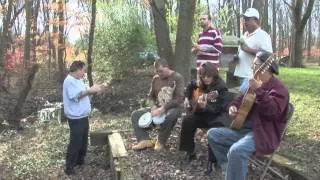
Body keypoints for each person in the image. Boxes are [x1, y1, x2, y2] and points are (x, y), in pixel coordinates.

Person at [207, 51, 289, 180]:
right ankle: (228, 167)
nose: (252, 67)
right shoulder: (254, 84)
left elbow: (272, 111)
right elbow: (238, 101)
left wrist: (259, 90)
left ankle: (234, 174)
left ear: (264, 68)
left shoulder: (279, 89)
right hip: (243, 130)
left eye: (255, 64)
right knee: (213, 134)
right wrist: (232, 108)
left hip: (263, 134)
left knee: (236, 150)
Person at [179, 62, 232, 161]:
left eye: (209, 76)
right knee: (188, 120)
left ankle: (213, 160)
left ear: (214, 75)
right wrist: (186, 98)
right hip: (204, 115)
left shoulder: (221, 88)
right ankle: (190, 151)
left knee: (215, 129)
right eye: (203, 76)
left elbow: (221, 108)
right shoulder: (201, 82)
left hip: (218, 117)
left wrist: (206, 107)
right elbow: (190, 85)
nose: (206, 78)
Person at [131, 58, 184, 151]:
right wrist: (153, 106)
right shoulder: (155, 79)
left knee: (170, 115)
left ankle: (161, 141)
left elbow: (179, 99)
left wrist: (163, 108)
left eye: (161, 71)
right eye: (157, 72)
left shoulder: (177, 77)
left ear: (167, 67)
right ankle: (144, 140)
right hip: (158, 108)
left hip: (174, 108)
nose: (159, 74)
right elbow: (150, 96)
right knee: (135, 115)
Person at [63, 61, 105, 175]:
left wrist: (96, 90)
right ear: (78, 69)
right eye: (83, 70)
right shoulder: (69, 81)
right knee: (75, 142)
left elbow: (85, 94)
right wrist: (90, 90)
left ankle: (80, 161)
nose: (84, 73)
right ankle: (69, 168)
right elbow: (76, 96)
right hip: (75, 118)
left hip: (83, 116)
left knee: (83, 140)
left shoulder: (79, 80)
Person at [233, 8, 273, 94]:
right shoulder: (244, 35)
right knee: (244, 103)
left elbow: (269, 56)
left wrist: (248, 50)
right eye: (244, 19)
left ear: (256, 20)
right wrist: (237, 57)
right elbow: (243, 52)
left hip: (251, 77)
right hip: (240, 75)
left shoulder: (263, 35)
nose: (244, 22)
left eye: (247, 19)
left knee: (245, 102)